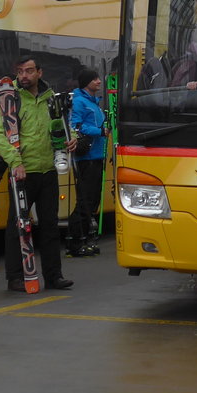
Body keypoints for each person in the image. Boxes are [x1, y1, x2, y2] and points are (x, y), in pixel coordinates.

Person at [0, 56, 76, 292]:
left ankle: (54, 276)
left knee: (49, 225)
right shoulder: (11, 100)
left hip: (48, 171)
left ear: (39, 72)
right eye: (20, 72)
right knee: (17, 226)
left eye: (28, 71)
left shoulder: (51, 98)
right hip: (22, 173)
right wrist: (15, 162)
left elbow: (63, 125)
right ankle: (16, 277)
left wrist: (71, 139)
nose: (24, 76)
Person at [66, 67, 107, 257]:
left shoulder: (94, 103)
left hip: (97, 156)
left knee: (93, 201)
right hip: (87, 158)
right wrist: (99, 131)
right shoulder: (80, 102)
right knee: (85, 201)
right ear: (86, 82)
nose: (99, 81)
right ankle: (75, 243)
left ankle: (85, 240)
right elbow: (75, 125)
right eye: (95, 79)